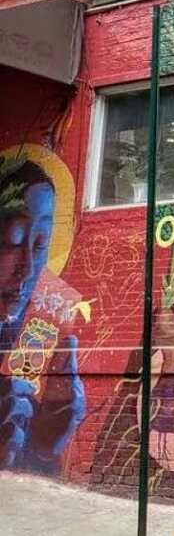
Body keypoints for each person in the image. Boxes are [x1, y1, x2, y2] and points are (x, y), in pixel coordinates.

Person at [0, 159, 85, 473]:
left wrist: (44, 447)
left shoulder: (40, 333)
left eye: (40, 245)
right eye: (14, 242)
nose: (28, 268)